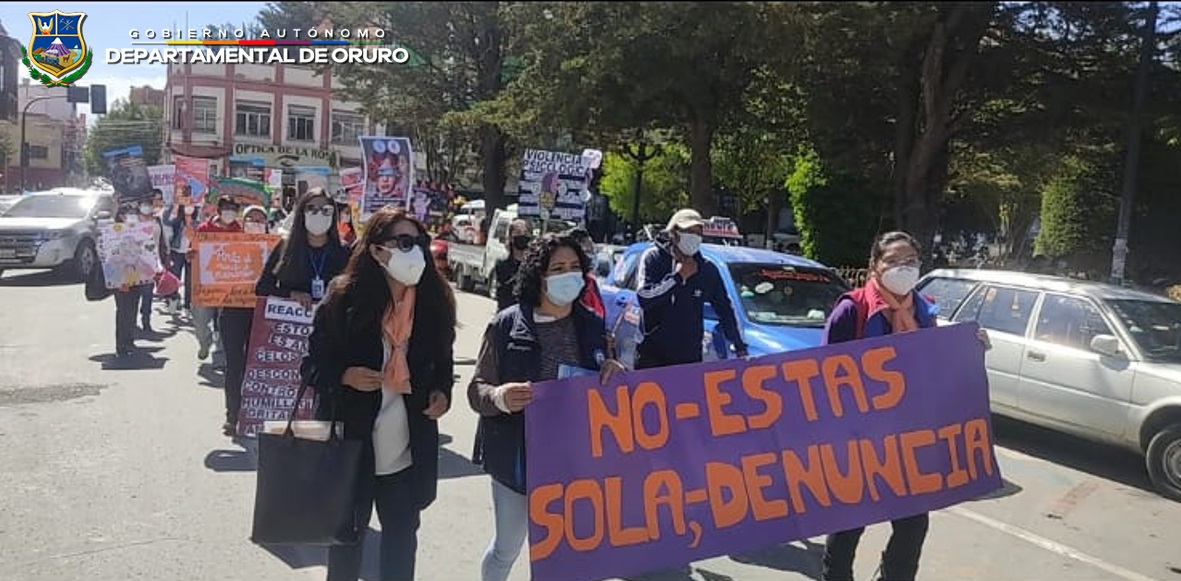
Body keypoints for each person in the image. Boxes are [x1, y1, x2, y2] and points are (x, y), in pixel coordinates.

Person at [820, 230, 991, 581]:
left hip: (909, 441)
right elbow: (820, 379)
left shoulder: (925, 313)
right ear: (874, 266)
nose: (903, 268)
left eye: (911, 261)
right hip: (860, 441)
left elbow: (936, 371)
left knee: (913, 525)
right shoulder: (851, 310)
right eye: (893, 261)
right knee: (849, 527)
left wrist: (970, 349)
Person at [301, 206, 456, 581]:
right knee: (347, 544)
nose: (414, 251)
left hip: (406, 452)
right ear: (375, 250)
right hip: (352, 447)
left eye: (418, 242)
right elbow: (312, 367)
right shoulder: (343, 300)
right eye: (403, 242)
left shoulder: (433, 304)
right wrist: (345, 375)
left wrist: (441, 394)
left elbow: (443, 365)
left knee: (402, 543)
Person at [468, 232, 624, 581]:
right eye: (558, 268)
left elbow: (606, 381)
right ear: (539, 275)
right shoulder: (507, 325)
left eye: (574, 267)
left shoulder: (592, 325)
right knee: (508, 546)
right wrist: (500, 398)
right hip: (518, 458)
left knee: (561, 555)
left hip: (574, 460)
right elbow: (477, 389)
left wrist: (614, 373)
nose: (568, 274)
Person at [634, 208, 747, 369]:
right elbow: (645, 298)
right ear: (674, 232)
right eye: (688, 231)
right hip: (652, 354)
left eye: (698, 233)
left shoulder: (707, 269)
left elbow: (725, 309)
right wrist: (677, 278)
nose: (693, 237)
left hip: (689, 357)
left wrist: (739, 345)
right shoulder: (653, 258)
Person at [215, 205, 270, 436]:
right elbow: (212, 270)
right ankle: (233, 415)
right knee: (235, 365)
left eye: (260, 219)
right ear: (242, 221)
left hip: (263, 312)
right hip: (233, 310)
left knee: (259, 365)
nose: (255, 222)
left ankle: (258, 414)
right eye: (251, 218)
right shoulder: (228, 243)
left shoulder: (277, 247)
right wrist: (195, 258)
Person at [256, 188, 349, 309]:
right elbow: (262, 288)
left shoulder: (343, 251)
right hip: (292, 321)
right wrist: (291, 294)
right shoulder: (286, 247)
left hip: (328, 322)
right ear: (302, 213)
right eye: (312, 209)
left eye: (326, 210)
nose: (319, 214)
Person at [111, 201, 167, 357]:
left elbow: (148, 253)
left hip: (137, 276)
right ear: (120, 217)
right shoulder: (113, 233)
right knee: (123, 311)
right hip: (120, 278)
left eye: (134, 215)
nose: (131, 218)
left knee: (132, 309)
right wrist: (119, 279)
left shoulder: (140, 232)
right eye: (127, 215)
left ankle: (129, 341)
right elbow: (110, 257)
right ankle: (121, 344)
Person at [193, 196, 243, 363]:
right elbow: (193, 251)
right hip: (205, 285)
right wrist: (191, 255)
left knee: (225, 324)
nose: (230, 212)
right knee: (200, 321)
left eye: (233, 209)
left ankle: (220, 355)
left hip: (229, 286)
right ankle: (204, 342)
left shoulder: (240, 231)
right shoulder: (203, 229)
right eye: (227, 208)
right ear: (219, 210)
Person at [134, 191, 168, 332]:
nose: (147, 207)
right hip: (135, 262)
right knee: (135, 293)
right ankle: (132, 320)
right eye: (144, 204)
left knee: (148, 292)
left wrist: (166, 256)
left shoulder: (157, 220)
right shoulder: (132, 221)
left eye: (149, 204)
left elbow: (162, 240)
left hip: (152, 261)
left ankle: (146, 320)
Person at [163, 202, 198, 315]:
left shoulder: (198, 222)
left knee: (190, 280)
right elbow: (166, 220)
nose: (189, 208)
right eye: (187, 206)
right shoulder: (178, 221)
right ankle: (173, 300)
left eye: (191, 206)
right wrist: (173, 205)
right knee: (175, 278)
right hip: (177, 252)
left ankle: (187, 305)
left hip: (191, 253)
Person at [566, 227, 605, 318]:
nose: (591, 256)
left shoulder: (590, 282)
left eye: (592, 251)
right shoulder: (564, 285)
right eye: (587, 251)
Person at [493, 219, 531, 312]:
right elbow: (504, 289)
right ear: (510, 237)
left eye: (525, 232)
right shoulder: (502, 263)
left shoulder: (532, 262)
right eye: (518, 232)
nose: (522, 236)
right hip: (507, 311)